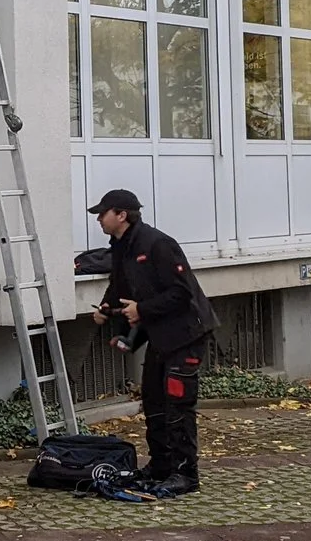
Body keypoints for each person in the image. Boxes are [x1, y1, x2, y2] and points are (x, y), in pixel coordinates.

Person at [89, 188, 216, 494]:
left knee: (178, 405)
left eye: (103, 213)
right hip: (159, 336)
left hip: (185, 334)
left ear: (122, 215)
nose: (98, 219)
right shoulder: (121, 246)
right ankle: (161, 466)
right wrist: (107, 309)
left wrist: (141, 310)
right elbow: (119, 286)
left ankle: (186, 474)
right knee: (154, 400)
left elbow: (181, 293)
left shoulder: (158, 244)